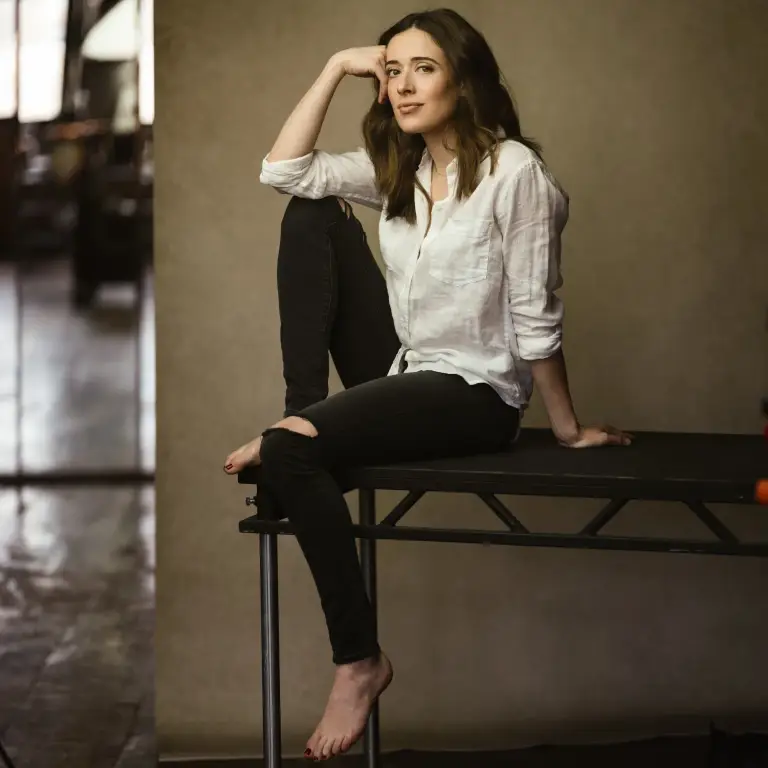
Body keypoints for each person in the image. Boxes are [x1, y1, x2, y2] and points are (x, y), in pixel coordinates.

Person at [224, 8, 632, 761]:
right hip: (408, 368)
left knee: (288, 463)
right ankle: (301, 418)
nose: (403, 85)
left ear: (464, 77)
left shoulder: (516, 175)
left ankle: (360, 662)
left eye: (424, 67)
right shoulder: (403, 170)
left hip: (476, 394)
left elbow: (535, 315)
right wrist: (332, 69)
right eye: (392, 69)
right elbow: (283, 169)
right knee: (308, 213)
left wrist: (567, 427)